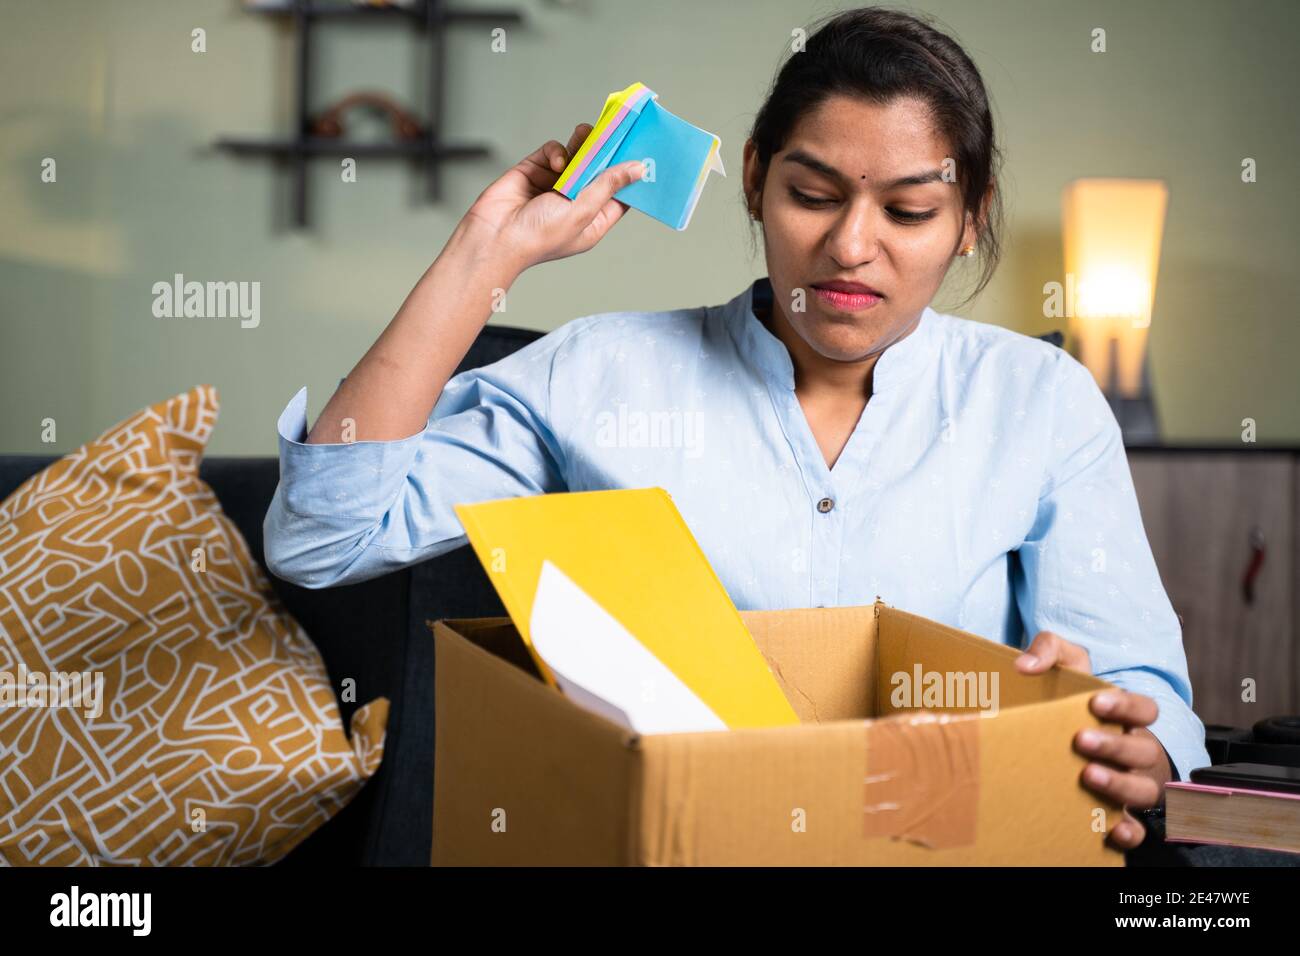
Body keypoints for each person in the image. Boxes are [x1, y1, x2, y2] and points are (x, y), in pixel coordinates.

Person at [263, 7, 1209, 851]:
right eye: (814, 194)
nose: (850, 246)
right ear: (754, 178)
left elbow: (1147, 694)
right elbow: (323, 536)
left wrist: (1136, 743)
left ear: (970, 221)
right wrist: (484, 255)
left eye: (911, 210)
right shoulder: (597, 376)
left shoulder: (1041, 400)